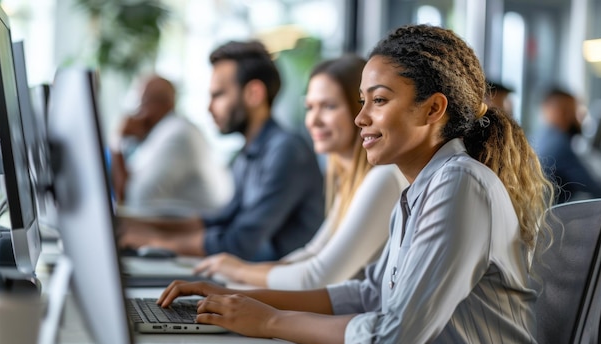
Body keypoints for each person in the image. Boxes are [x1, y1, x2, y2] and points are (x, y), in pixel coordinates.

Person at [156, 24, 555, 344]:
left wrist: (270, 321)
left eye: (378, 101)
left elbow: (392, 337)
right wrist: (238, 297)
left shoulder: (460, 185)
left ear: (433, 109)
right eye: (362, 101)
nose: (360, 118)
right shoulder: (421, 188)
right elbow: (368, 295)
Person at [194, 55, 409, 290]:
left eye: (329, 106)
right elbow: (312, 254)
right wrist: (236, 273)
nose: (313, 120)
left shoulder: (382, 178)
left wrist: (239, 271)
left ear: (360, 111)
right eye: (309, 107)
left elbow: (317, 277)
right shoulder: (349, 180)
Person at [119, 41, 325, 262]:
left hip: (282, 288)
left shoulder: (286, 151)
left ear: (254, 94)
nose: (209, 107)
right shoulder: (249, 153)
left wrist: (153, 241)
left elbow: (240, 243)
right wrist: (135, 225)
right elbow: (221, 220)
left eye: (218, 95)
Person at [110, 75, 234, 212]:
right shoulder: (160, 134)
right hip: (185, 227)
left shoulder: (178, 134)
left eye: (141, 104)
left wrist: (117, 141)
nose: (136, 113)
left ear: (160, 105)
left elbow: (138, 199)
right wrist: (120, 144)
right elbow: (127, 189)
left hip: (206, 229)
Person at [533, 87, 601, 203]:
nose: (578, 119)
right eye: (574, 112)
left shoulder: (539, 137)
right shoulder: (559, 146)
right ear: (560, 113)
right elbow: (598, 191)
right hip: (556, 216)